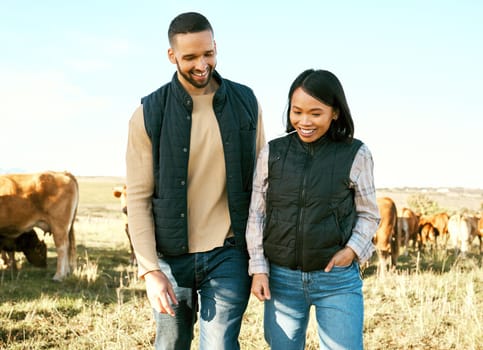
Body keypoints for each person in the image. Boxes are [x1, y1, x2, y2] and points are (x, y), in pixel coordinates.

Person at [125, 12, 265, 350]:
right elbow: (139, 199)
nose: (202, 64)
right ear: (172, 56)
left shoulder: (246, 102)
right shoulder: (148, 113)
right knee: (171, 343)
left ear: (215, 47)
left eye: (208, 54)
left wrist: (260, 259)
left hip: (228, 253)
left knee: (219, 345)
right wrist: (150, 272)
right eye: (190, 57)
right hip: (170, 257)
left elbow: (263, 187)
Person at [246, 69, 379, 350]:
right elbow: (257, 214)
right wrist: (259, 268)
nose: (304, 121)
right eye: (297, 111)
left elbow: (369, 214)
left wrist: (352, 250)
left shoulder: (356, 153)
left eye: (315, 113)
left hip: (337, 279)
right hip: (282, 280)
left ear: (335, 113)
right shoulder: (273, 152)